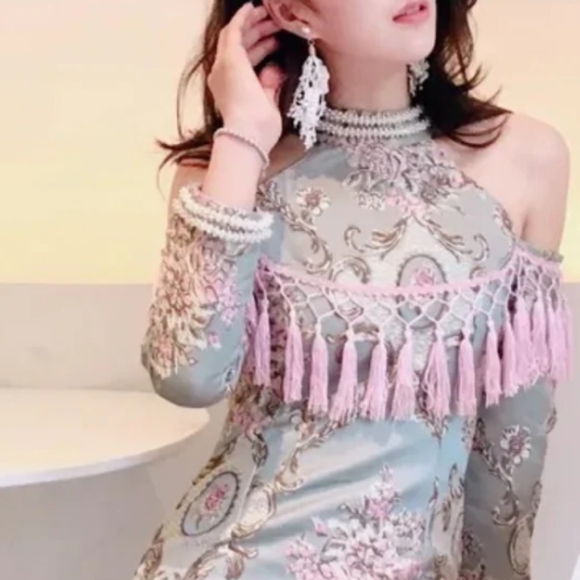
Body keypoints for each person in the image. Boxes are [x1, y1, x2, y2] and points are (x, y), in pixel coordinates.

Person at [133, 0, 571, 578]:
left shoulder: (524, 159)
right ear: (293, 11)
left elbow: (513, 442)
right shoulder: (230, 170)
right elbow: (188, 376)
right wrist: (242, 137)